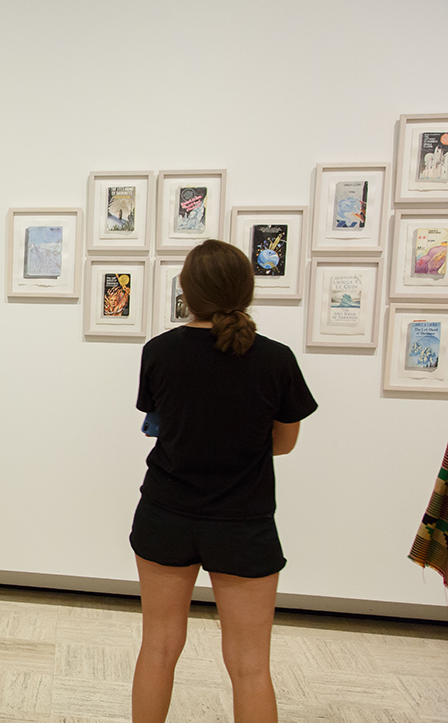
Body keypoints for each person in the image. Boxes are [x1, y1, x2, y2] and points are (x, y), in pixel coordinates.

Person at [130, 240, 317, 723]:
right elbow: (284, 442)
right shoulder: (276, 360)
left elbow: (161, 425)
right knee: (251, 667)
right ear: (247, 291)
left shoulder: (159, 352)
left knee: (157, 648)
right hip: (243, 522)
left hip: (165, 515)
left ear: (187, 292)